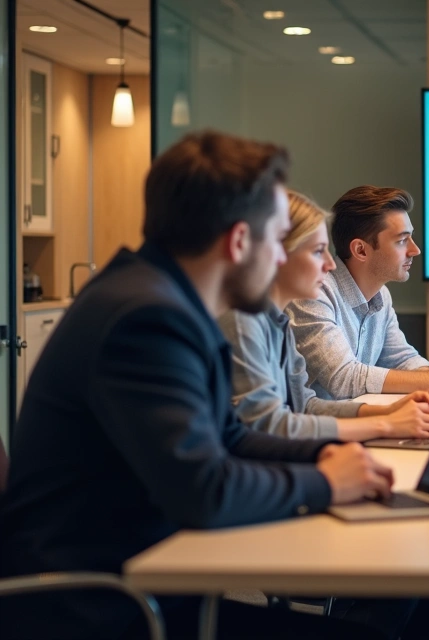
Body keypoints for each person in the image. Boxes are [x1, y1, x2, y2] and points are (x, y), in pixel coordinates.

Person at [0, 131, 401, 639]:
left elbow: (227, 437)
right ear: (238, 242)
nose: (286, 259)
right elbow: (204, 488)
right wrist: (327, 483)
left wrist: (323, 456)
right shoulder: (146, 319)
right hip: (97, 608)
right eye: (276, 241)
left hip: (146, 579)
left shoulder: (165, 301)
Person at [219, 190, 429, 440]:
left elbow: (306, 406)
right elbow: (266, 425)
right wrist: (385, 425)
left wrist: (389, 412)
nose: (330, 263)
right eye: (318, 251)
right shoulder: (242, 322)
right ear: (278, 255)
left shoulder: (278, 323)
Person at [287, 185, 429, 400]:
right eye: (402, 240)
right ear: (361, 250)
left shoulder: (381, 296)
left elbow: (404, 359)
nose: (415, 250)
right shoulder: (314, 293)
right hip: (315, 435)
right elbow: (344, 378)